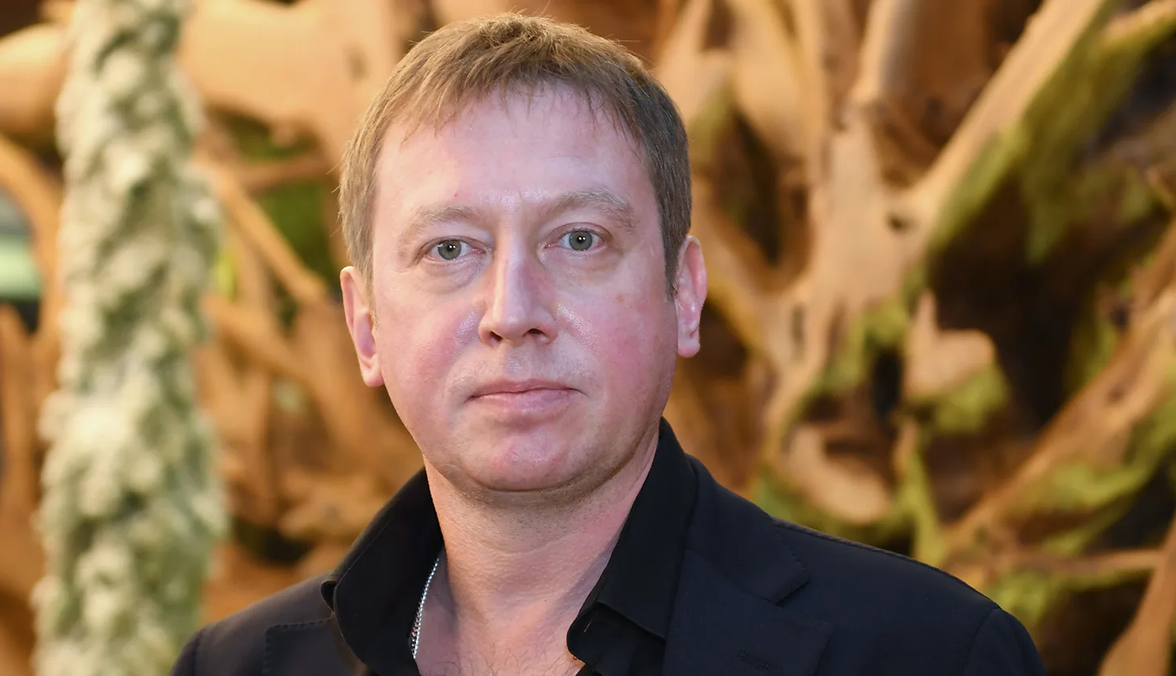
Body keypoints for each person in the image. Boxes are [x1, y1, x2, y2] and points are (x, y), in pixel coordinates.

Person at [172, 13, 1045, 676]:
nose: (512, 310)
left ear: (684, 295)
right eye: (450, 249)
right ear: (366, 325)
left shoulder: (929, 654)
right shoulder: (235, 666)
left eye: (579, 240)